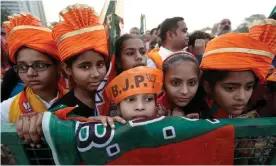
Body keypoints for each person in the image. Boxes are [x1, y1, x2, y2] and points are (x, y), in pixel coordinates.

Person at [200, 18, 276, 118]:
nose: (242, 97)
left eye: (248, 87)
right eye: (231, 88)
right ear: (208, 87)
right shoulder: (195, 117)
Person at [1, 13, 67, 124]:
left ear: (58, 67)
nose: (30, 73)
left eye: (40, 65)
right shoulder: (6, 110)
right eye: (22, 67)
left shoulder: (77, 102)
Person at [49, 4, 113, 118]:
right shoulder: (60, 113)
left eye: (100, 64)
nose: (96, 74)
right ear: (67, 69)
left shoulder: (117, 100)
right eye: (85, 67)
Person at [157, 51, 209, 118]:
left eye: (191, 83)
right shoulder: (153, 110)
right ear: (163, 83)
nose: (185, 91)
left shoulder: (205, 104)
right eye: (175, 83)